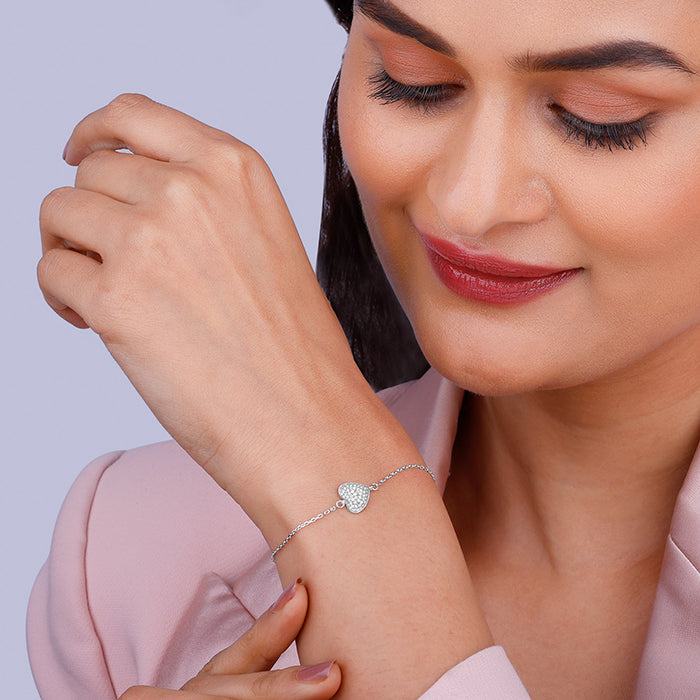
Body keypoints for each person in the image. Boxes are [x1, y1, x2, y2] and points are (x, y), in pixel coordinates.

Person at [29, 0, 699, 697]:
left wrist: (354, 510)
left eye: (600, 119)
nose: (468, 204)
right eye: (414, 81)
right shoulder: (131, 555)